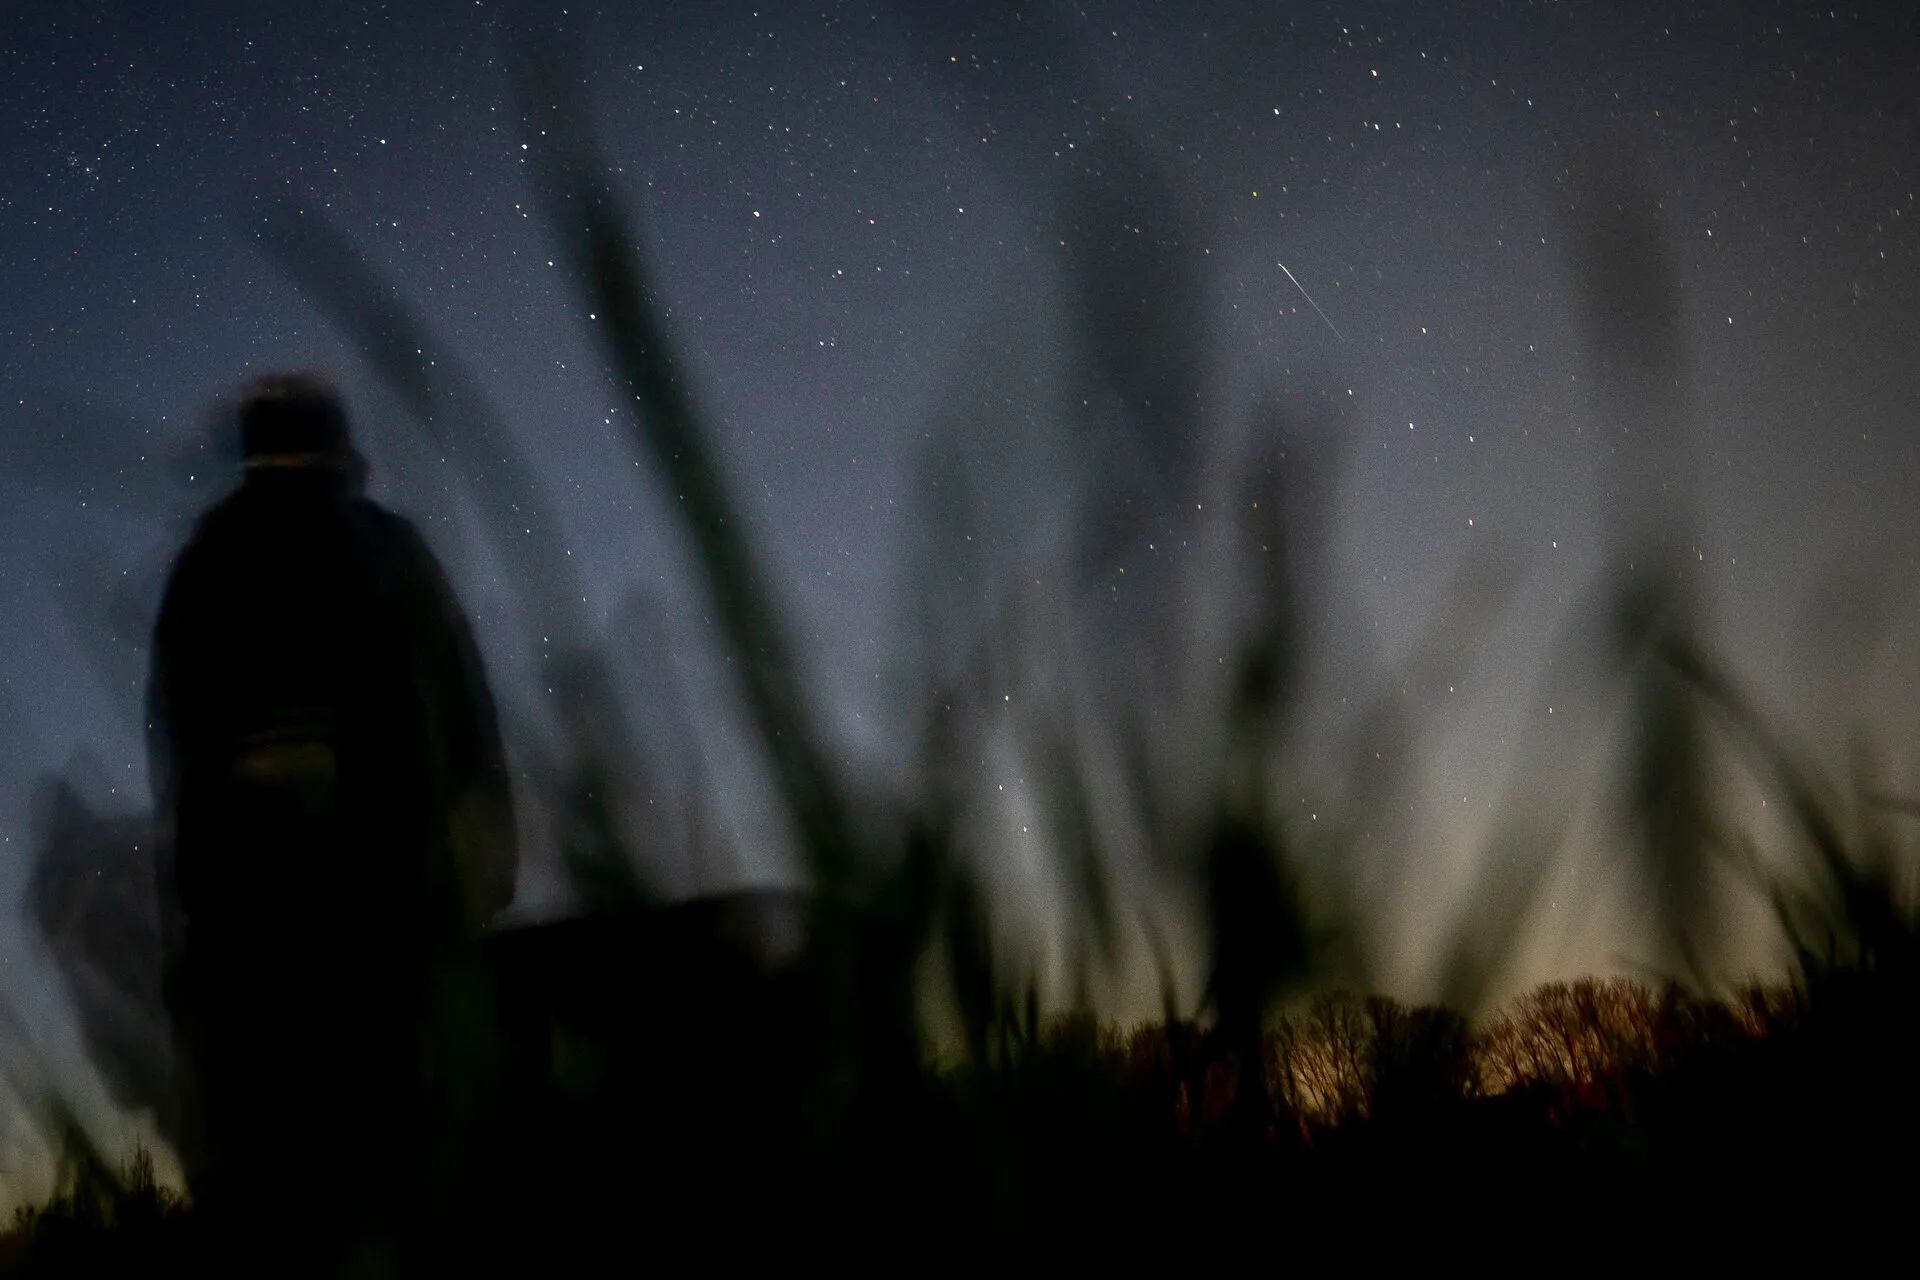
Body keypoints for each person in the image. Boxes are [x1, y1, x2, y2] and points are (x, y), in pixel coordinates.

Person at [146, 373, 516, 1271]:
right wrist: (489, 843)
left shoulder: (206, 562)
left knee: (290, 1152)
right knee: (409, 1124)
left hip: (257, 914)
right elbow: (464, 705)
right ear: (344, 457)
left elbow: (179, 758)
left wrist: (194, 924)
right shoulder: (386, 545)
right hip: (390, 885)